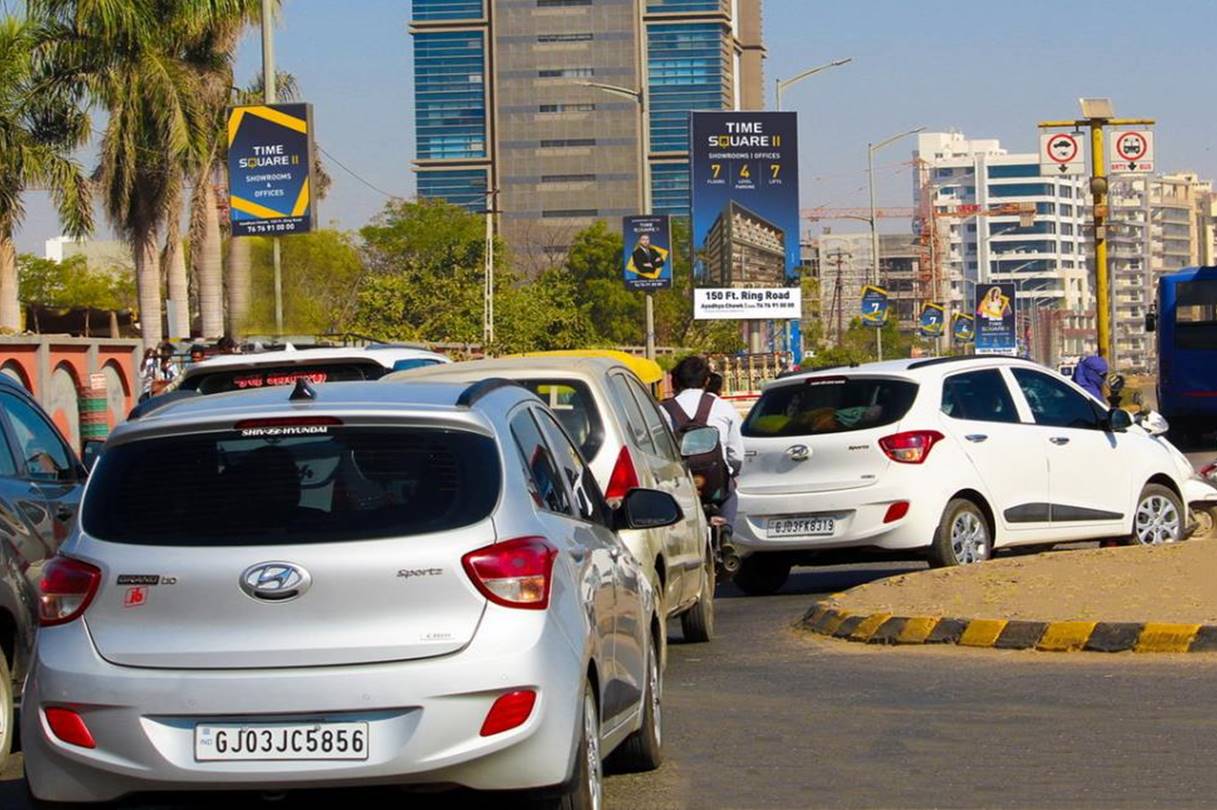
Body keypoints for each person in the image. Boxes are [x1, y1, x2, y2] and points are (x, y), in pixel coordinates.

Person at [661, 355, 744, 526]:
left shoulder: (663, 411)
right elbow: (737, 455)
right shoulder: (723, 407)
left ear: (675, 382)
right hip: (714, 484)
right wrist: (731, 474)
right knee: (730, 495)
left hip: (679, 484)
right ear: (706, 381)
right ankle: (726, 533)